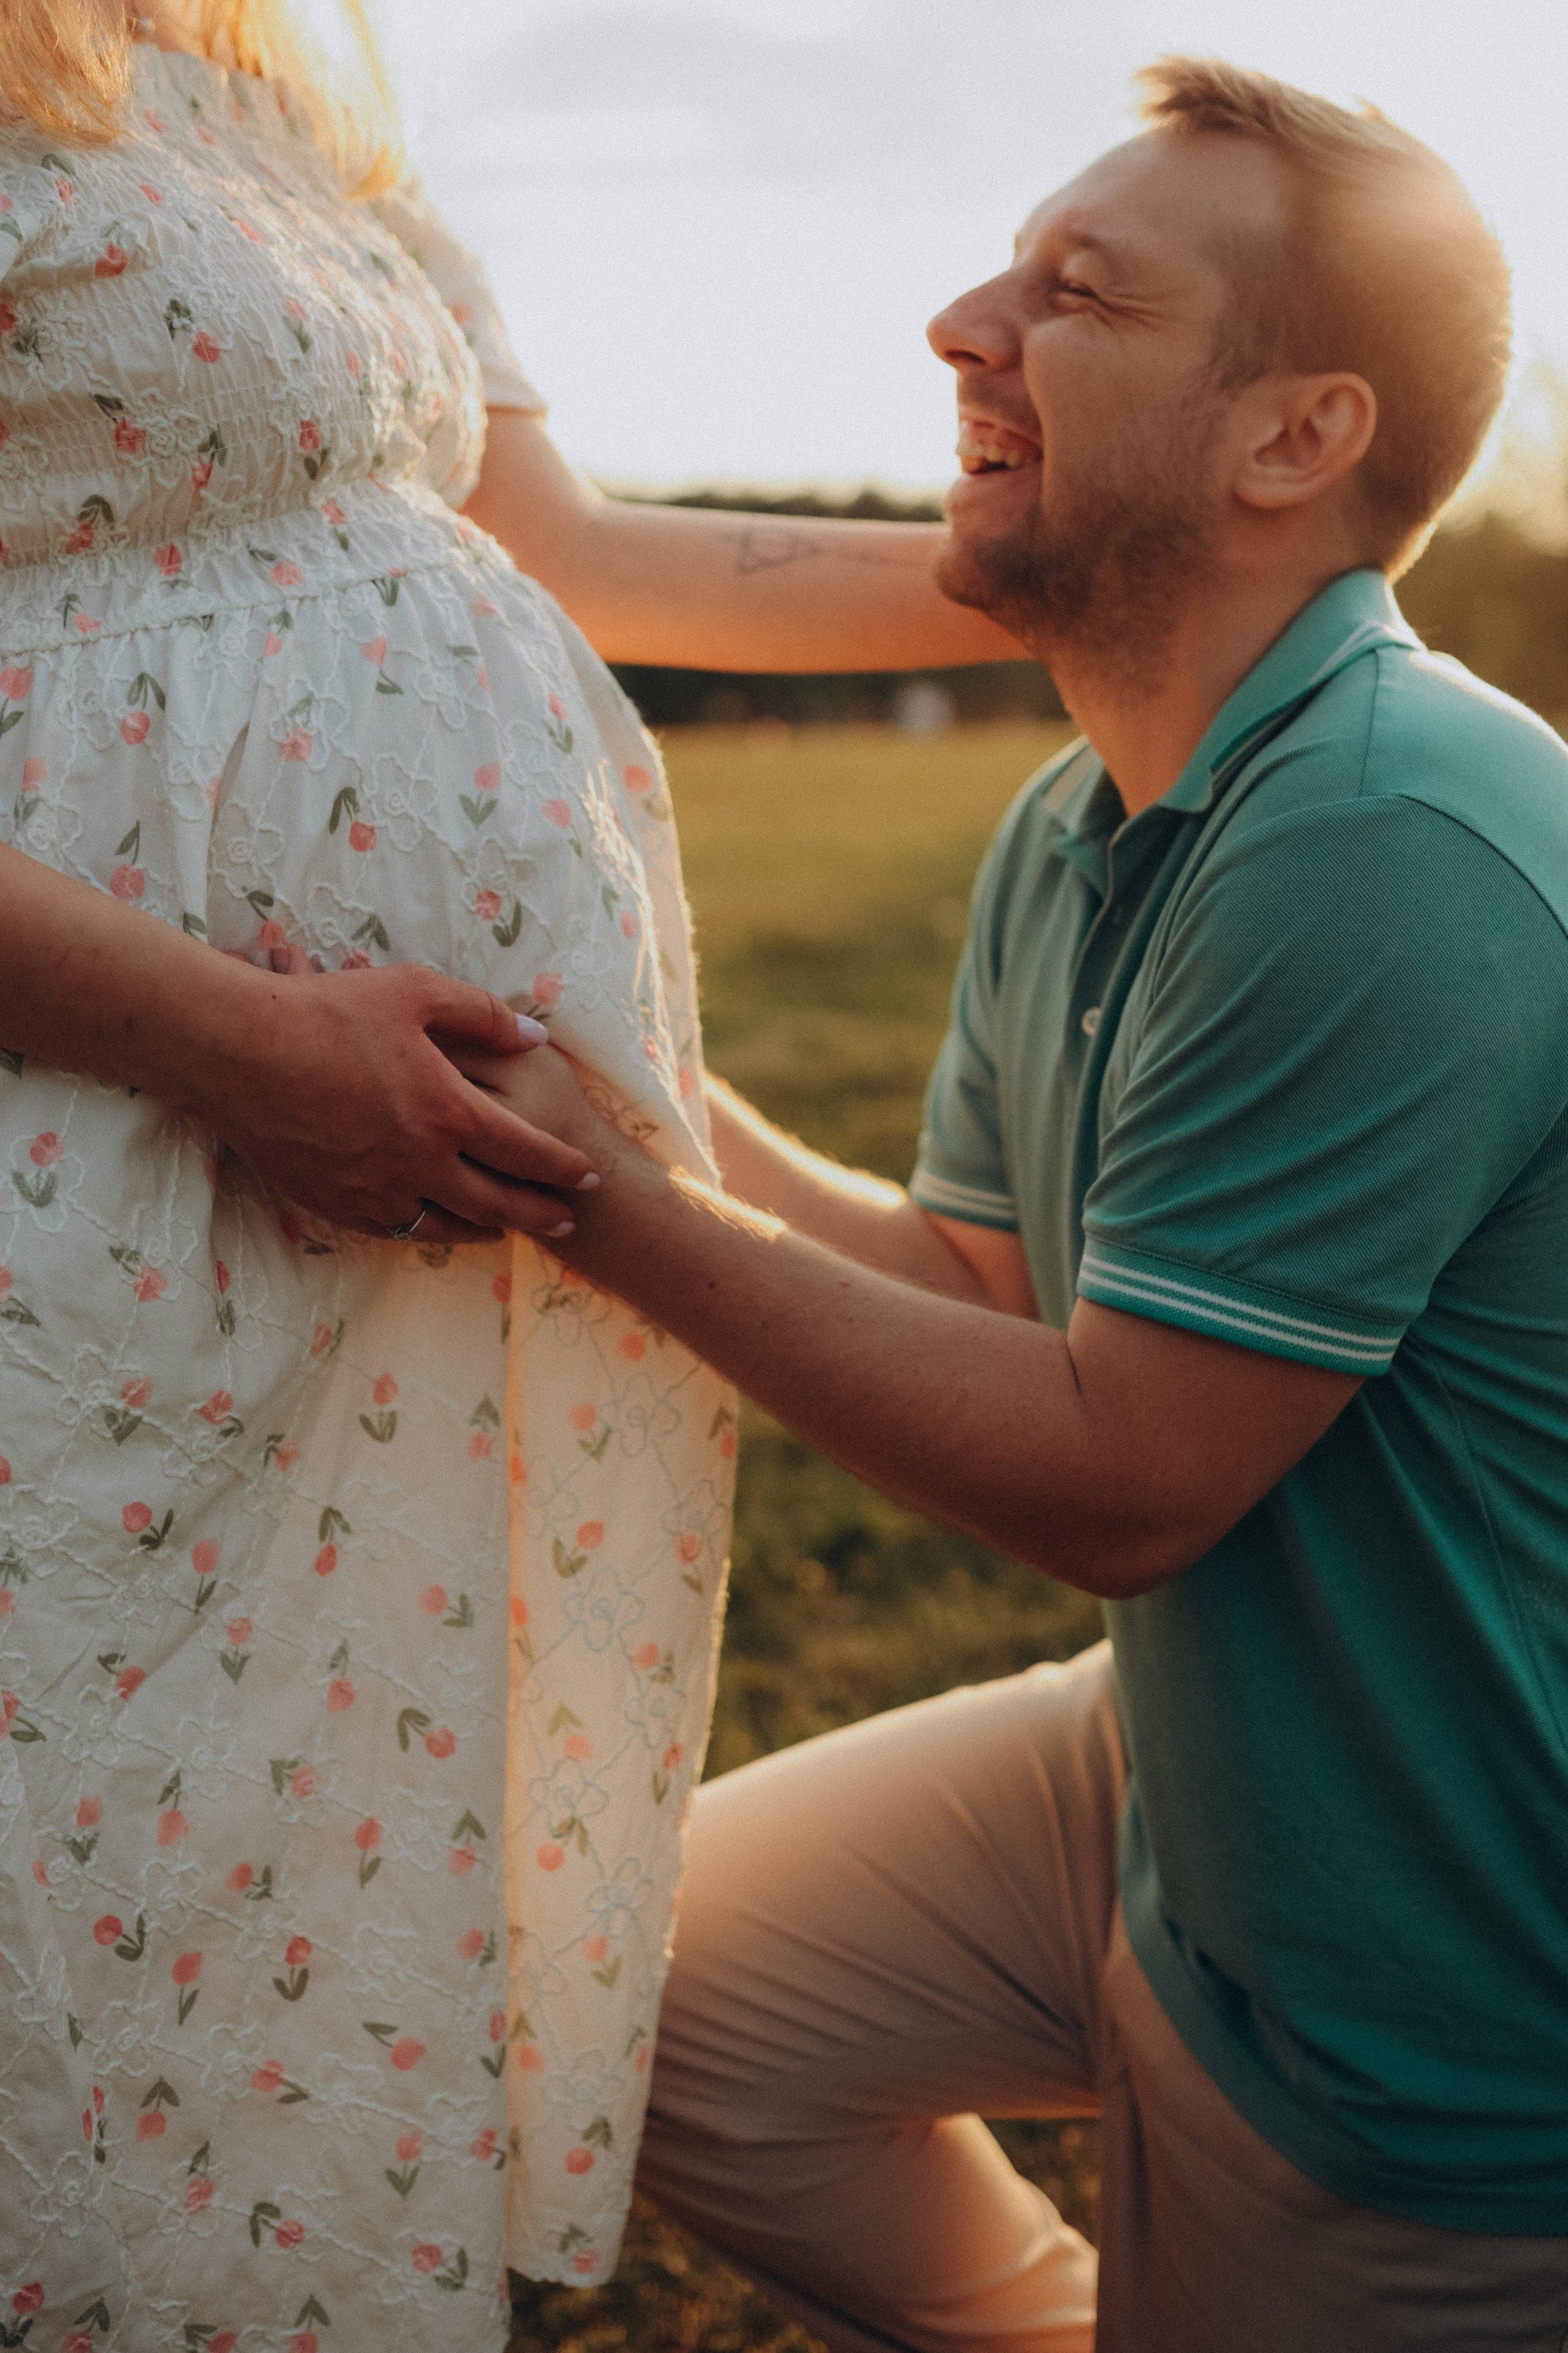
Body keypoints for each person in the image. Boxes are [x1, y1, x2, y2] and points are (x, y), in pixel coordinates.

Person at [460, 61, 1568, 2352]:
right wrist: (626, 1081)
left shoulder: (1386, 833)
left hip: (1445, 1981)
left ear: (1295, 438)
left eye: (1081, 292)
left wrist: (585, 1190)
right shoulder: (1089, 812)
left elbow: (1117, 1475)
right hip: (1185, 1765)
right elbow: (976, 1281)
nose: (967, 323)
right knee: (647, 2000)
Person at [0, 2, 1017, 2341]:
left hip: (393, 1220)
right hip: (112, 1140)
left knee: (304, 1899)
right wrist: (251, 1047)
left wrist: (1096, 575)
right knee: (85, 1906)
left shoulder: (267, 79)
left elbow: (564, 543)